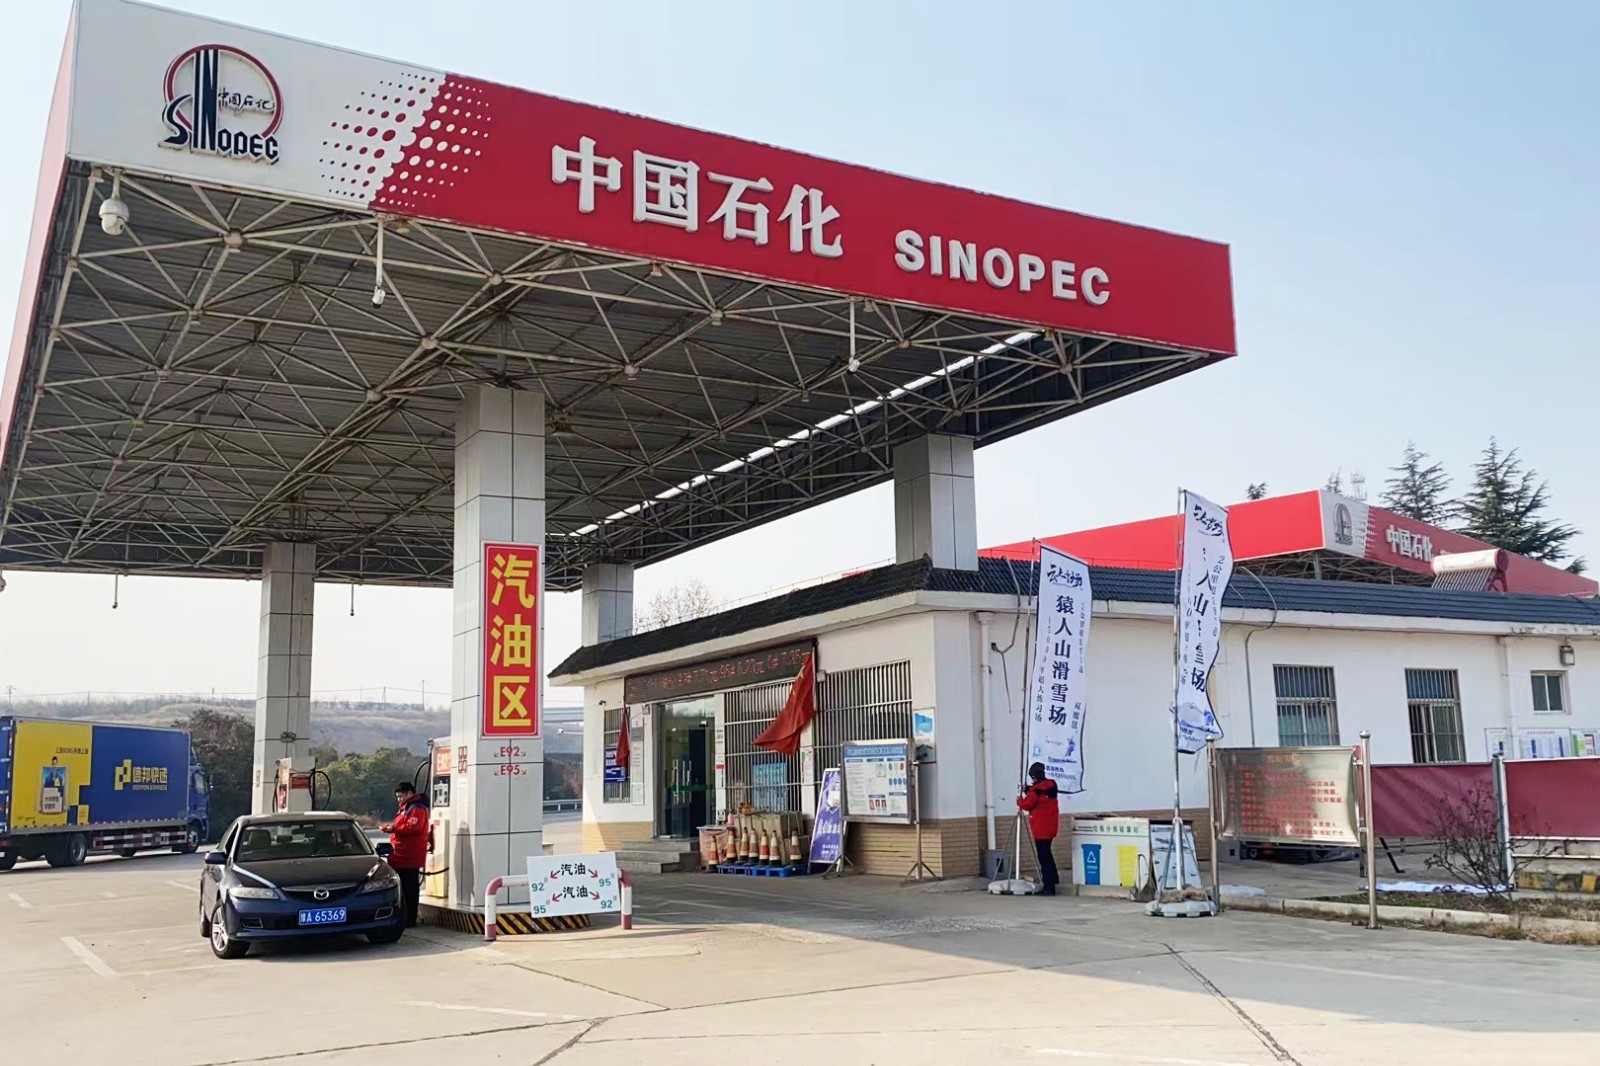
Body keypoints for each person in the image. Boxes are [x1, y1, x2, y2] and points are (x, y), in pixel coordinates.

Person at [380, 781, 429, 927]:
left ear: (409, 794)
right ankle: (404, 918)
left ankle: (410, 919)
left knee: (409, 890)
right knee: (403, 890)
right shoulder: (406, 808)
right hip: (400, 856)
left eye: (401, 796)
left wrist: (393, 829)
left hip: (409, 857)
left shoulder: (416, 808)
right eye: (397, 797)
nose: (399, 799)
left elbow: (413, 828)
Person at [1016, 762, 1061, 896]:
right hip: (1051, 827)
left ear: (1034, 776)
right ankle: (1054, 880)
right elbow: (1038, 791)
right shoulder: (1051, 785)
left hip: (1041, 830)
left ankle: (1049, 887)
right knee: (1047, 854)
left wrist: (1018, 800)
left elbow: (1027, 804)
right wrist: (1028, 789)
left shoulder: (1036, 791)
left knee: (1043, 857)